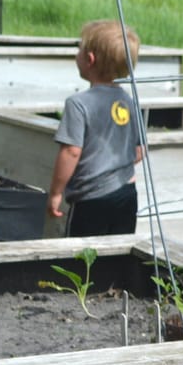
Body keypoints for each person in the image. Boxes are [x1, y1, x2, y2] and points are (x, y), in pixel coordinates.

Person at [46, 19, 145, 236]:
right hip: (127, 193)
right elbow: (139, 151)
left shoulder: (78, 104)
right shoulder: (128, 101)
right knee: (117, 255)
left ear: (89, 59)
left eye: (79, 49)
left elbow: (71, 152)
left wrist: (56, 193)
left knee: (81, 258)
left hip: (91, 199)